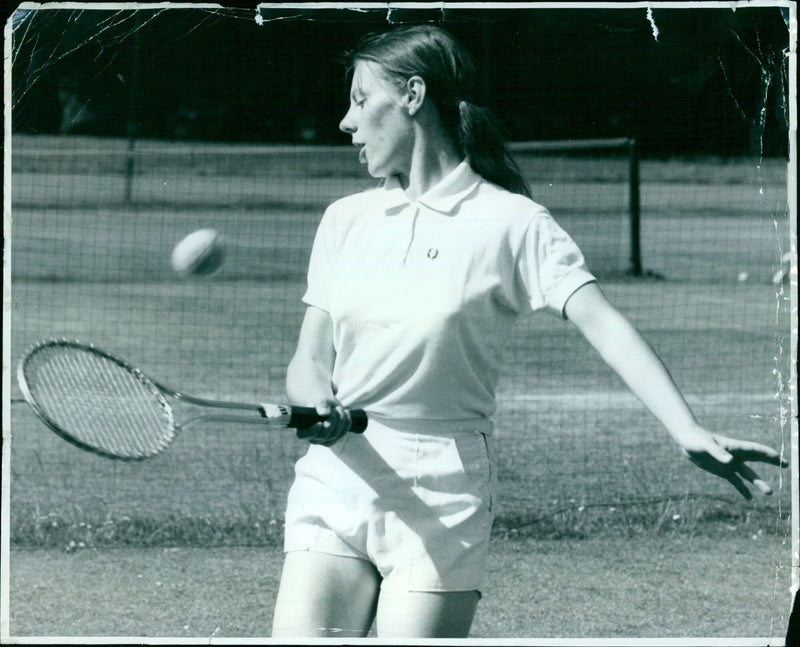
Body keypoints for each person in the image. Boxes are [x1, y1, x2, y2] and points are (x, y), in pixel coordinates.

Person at [271, 24, 787, 639]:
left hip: (443, 488)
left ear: (412, 95)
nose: (344, 123)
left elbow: (604, 324)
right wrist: (313, 400)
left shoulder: (512, 222)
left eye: (359, 100)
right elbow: (310, 356)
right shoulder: (344, 221)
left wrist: (686, 428)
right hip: (337, 476)